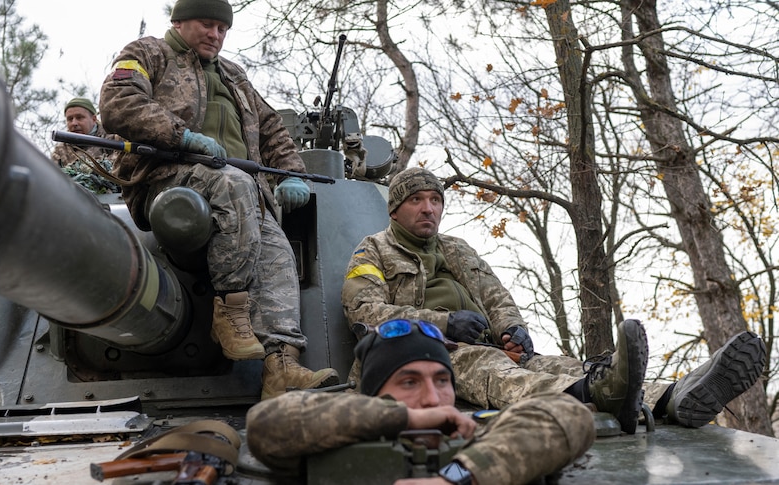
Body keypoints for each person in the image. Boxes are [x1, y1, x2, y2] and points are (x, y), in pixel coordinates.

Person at [342, 166, 767, 432]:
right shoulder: (373, 250)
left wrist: (513, 329)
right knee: (493, 369)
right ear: (395, 209)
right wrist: (444, 324)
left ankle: (673, 395)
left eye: (435, 200)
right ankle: (596, 394)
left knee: (558, 363)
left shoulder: (457, 248)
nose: (429, 208)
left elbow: (496, 295)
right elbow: (364, 312)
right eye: (417, 200)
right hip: (429, 352)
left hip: (490, 347)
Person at [99, 0, 338, 399]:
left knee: (278, 251)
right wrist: (182, 136)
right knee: (235, 183)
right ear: (178, 22)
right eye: (206, 25)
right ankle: (230, 311)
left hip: (237, 193)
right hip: (167, 178)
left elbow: (272, 128)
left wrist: (292, 173)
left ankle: (281, 366)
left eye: (222, 29)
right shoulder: (149, 53)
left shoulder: (233, 76)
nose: (215, 35)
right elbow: (118, 102)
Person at [247, 319, 596, 485]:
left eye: (443, 381)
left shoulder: (481, 432)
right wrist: (405, 418)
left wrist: (459, 477)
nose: (433, 398)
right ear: (373, 394)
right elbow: (266, 425)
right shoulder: (331, 438)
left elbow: (568, 415)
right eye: (409, 381)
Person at [50, 97, 120, 193]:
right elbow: (53, 179)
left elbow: (121, 167)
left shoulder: (112, 139)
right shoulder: (61, 149)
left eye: (79, 117)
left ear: (94, 119)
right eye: (70, 119)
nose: (74, 123)